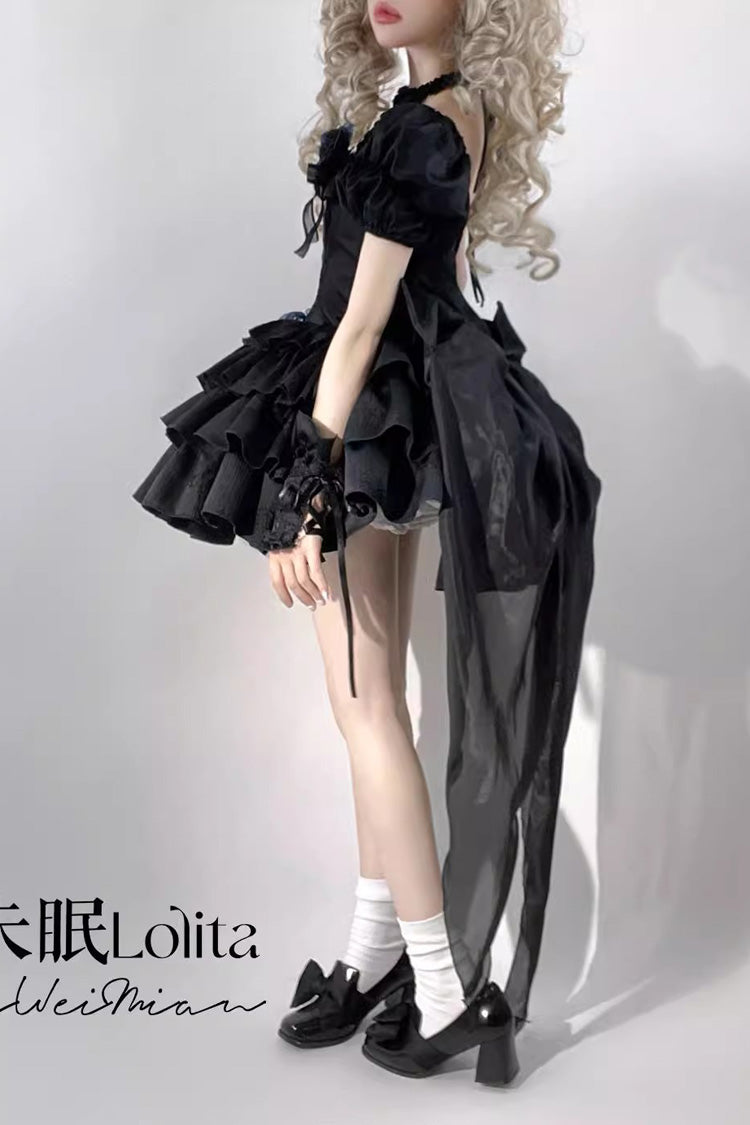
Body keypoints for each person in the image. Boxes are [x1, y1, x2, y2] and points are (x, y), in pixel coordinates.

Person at [132, 0, 602, 1086]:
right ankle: (375, 947)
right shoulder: (446, 108)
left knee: (366, 710)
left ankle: (442, 990)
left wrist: (305, 491)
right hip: (399, 411)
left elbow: (359, 323)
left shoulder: (427, 128)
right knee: (374, 700)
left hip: (363, 412)